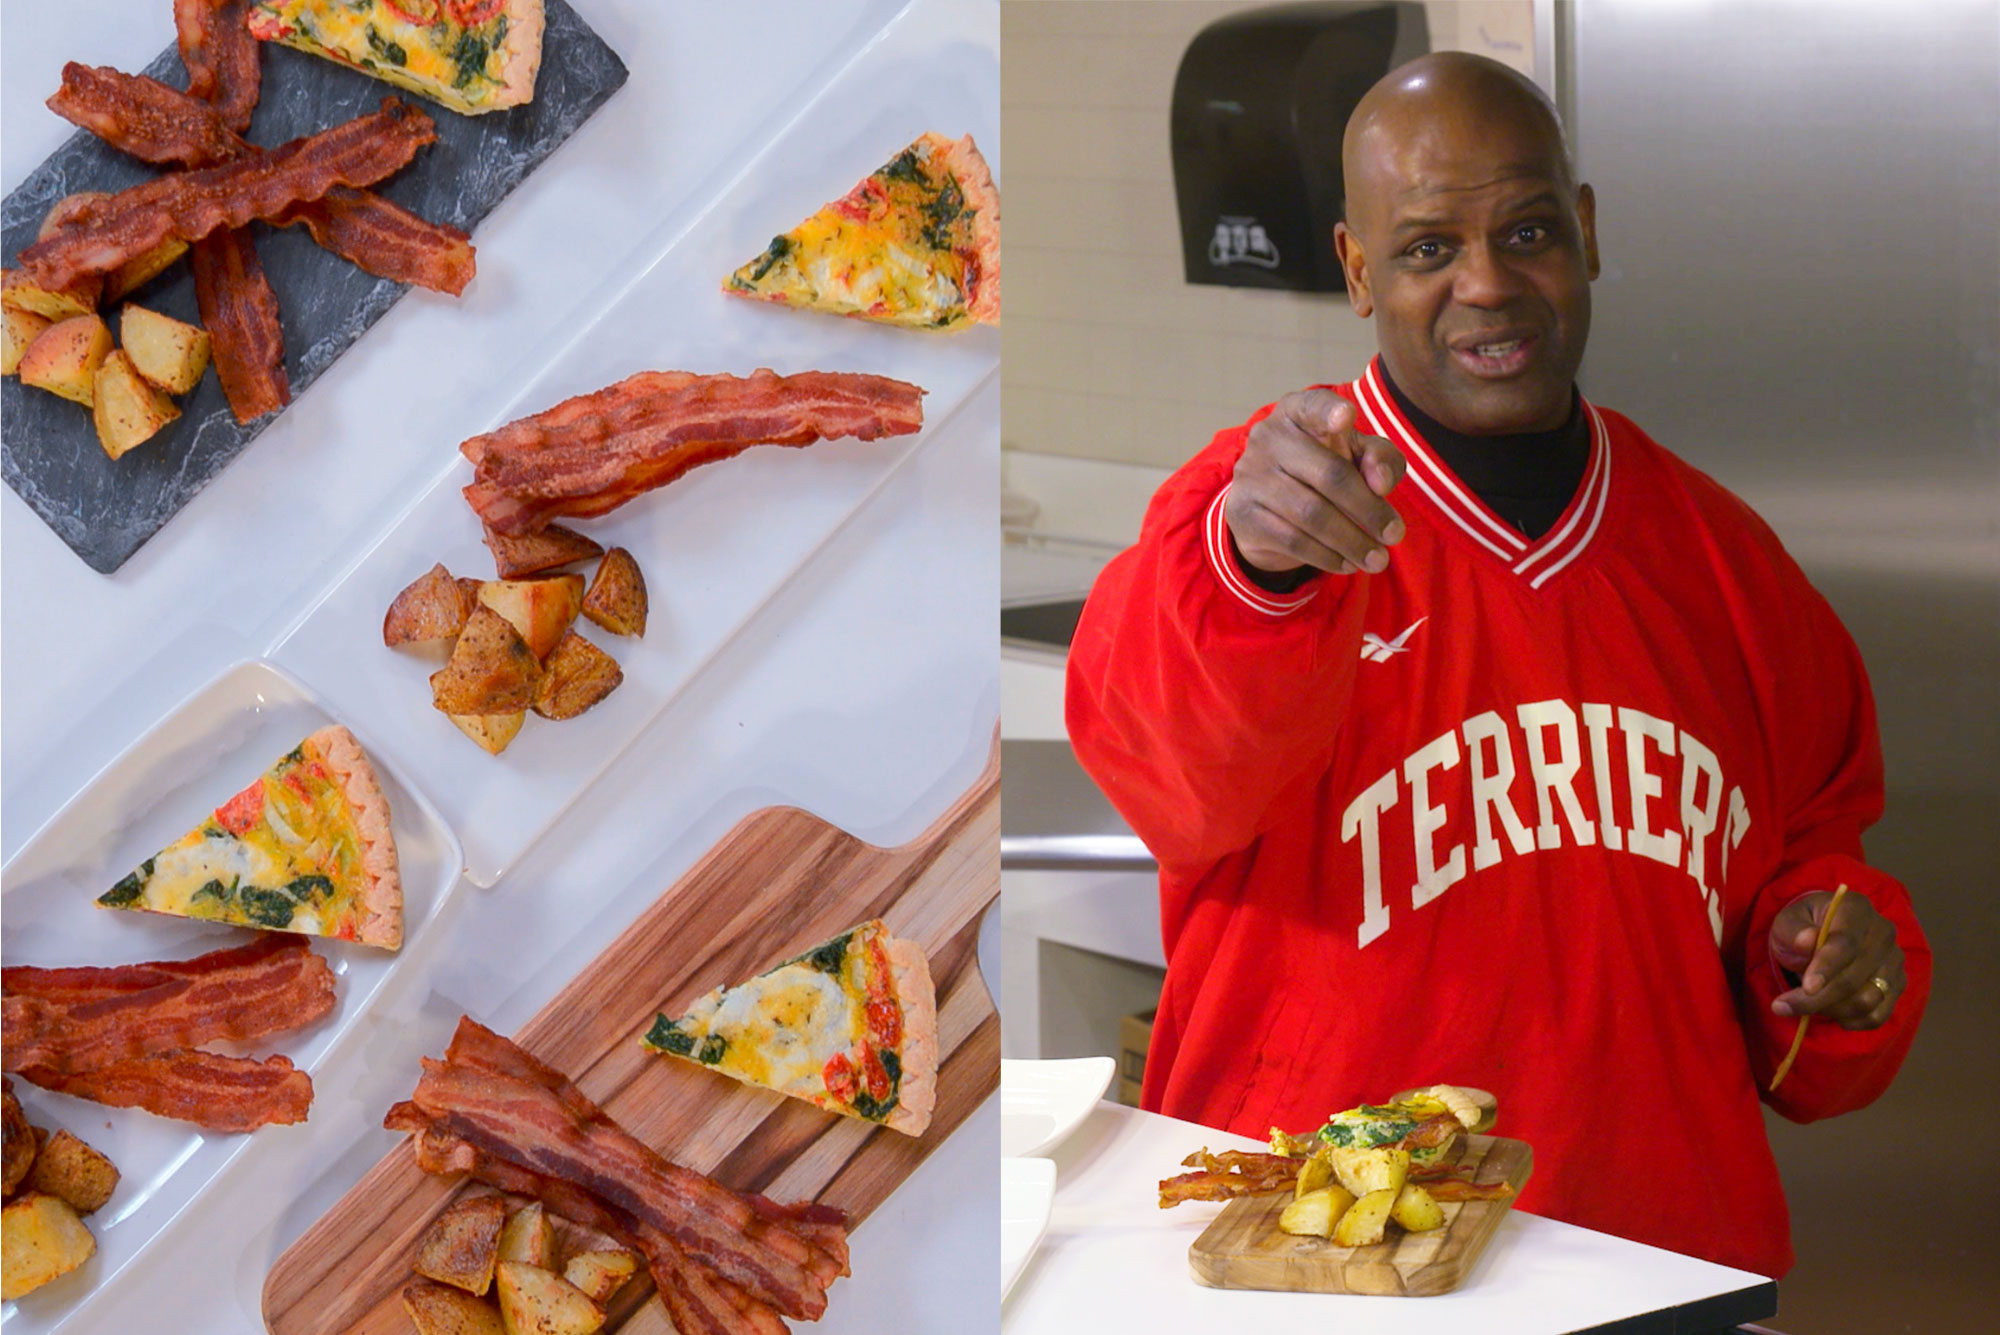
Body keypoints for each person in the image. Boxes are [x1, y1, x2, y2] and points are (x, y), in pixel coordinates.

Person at [1065, 51, 1929, 1278]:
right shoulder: (1261, 516)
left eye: (1524, 230)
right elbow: (1168, 773)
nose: (1485, 284)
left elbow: (1816, 864)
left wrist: (1830, 952)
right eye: (1425, 249)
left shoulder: (1728, 563)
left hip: (1654, 1259)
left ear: (1580, 234)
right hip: (1316, 1272)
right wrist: (1254, 569)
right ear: (1357, 272)